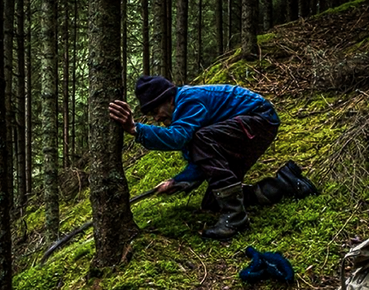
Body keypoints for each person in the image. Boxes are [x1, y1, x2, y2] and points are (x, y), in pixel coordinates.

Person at [109, 75, 318, 240]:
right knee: (212, 201)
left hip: (259, 119)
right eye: (152, 114)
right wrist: (177, 182)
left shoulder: (190, 100)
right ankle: (284, 184)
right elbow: (200, 160)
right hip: (245, 128)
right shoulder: (185, 113)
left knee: (200, 138)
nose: (157, 118)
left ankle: (235, 219)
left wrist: (135, 129)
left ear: (169, 98)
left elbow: (178, 138)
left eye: (157, 110)